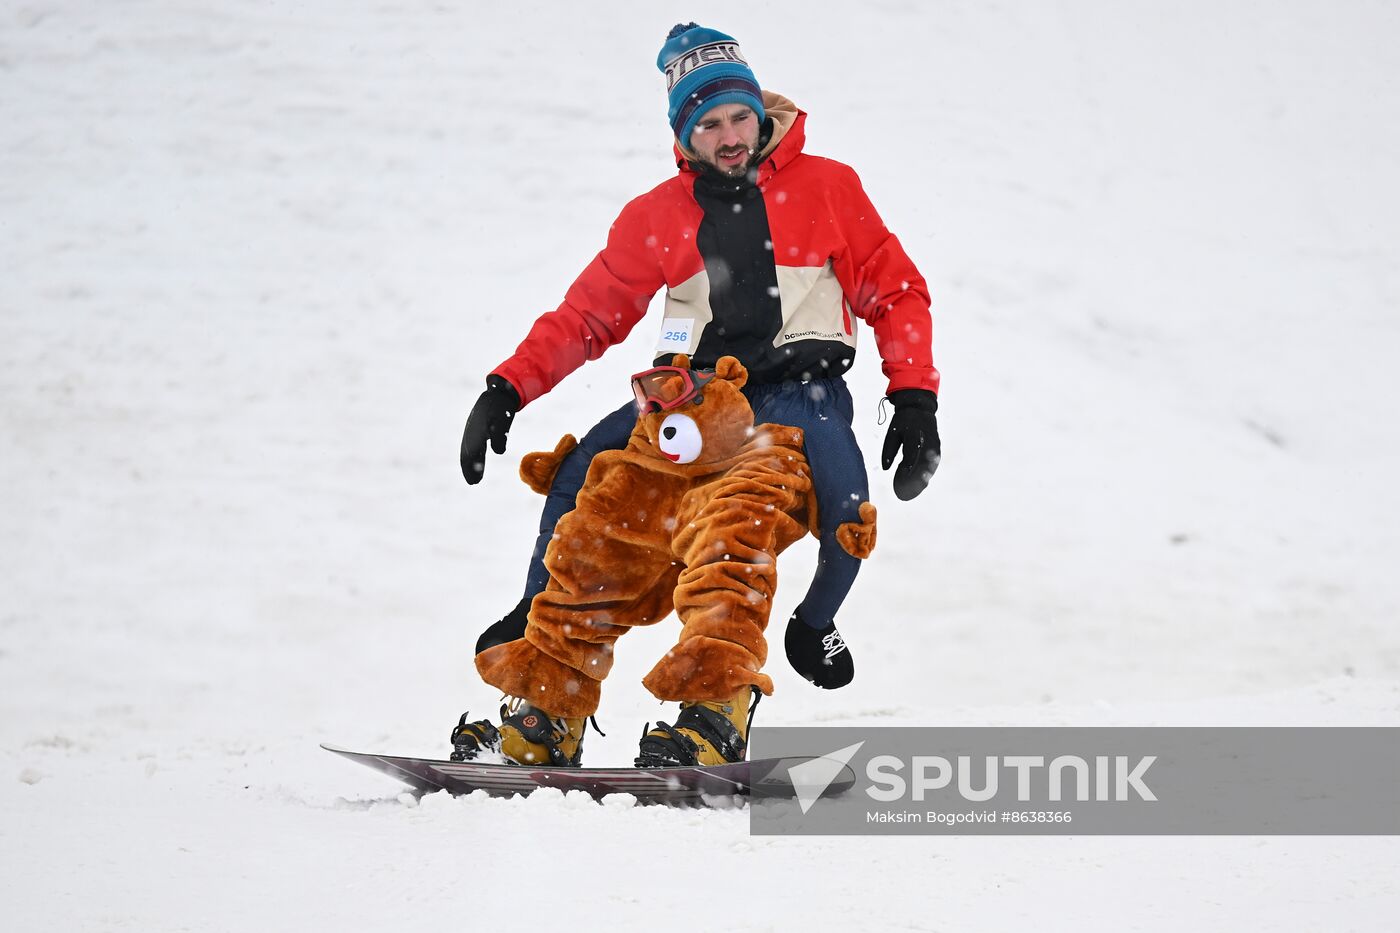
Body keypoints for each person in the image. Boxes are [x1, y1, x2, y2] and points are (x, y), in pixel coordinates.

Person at [454, 23, 941, 765]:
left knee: (733, 523)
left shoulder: (828, 189)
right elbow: (589, 315)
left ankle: (718, 703)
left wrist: (914, 398)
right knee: (590, 486)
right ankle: (551, 694)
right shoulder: (657, 216)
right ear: (685, 134)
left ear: (762, 111)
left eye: (740, 117)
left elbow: (897, 290)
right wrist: (508, 386)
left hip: (796, 399)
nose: (730, 136)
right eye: (709, 124)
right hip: (690, 400)